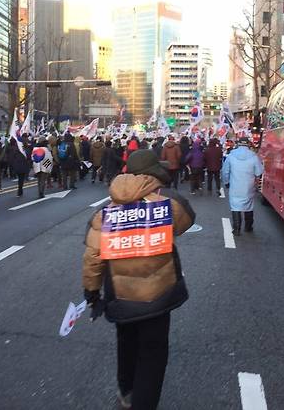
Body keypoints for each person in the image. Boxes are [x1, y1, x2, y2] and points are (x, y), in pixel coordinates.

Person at [83, 150, 195, 410]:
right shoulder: (168, 203)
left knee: (126, 344)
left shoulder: (104, 213)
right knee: (153, 355)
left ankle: (126, 392)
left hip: (120, 296)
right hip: (159, 295)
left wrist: (91, 293)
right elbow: (188, 220)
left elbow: (93, 257)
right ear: (153, 173)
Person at [221, 137, 264, 235]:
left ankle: (236, 229)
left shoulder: (231, 156)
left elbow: (225, 171)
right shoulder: (254, 157)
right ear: (248, 144)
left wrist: (226, 182)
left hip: (235, 185)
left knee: (235, 206)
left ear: (238, 144)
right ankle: (248, 227)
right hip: (248, 186)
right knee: (248, 206)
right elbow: (259, 172)